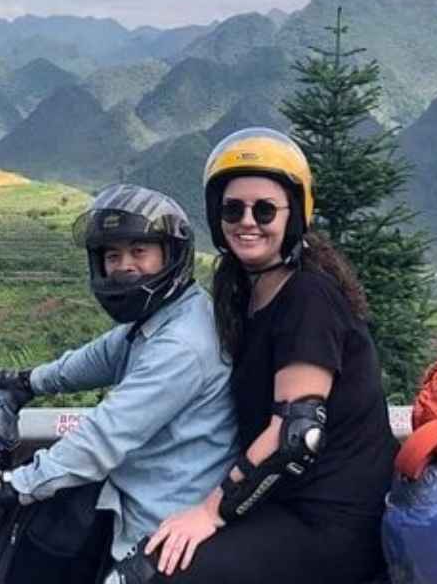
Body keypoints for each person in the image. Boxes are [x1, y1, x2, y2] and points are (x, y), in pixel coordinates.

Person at [142, 128, 398, 583]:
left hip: (332, 524)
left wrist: (209, 512)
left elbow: (297, 435)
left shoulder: (308, 297)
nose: (247, 221)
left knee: (163, 572)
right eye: (232, 208)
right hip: (284, 505)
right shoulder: (247, 292)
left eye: (264, 209)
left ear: (294, 215)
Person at [0, 183, 238, 581]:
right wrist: (26, 382)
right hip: (132, 503)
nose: (124, 265)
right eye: (113, 254)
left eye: (139, 251)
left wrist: (13, 485)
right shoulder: (160, 320)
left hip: (163, 529)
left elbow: (104, 436)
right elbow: (98, 357)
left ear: (170, 255)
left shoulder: (183, 345)